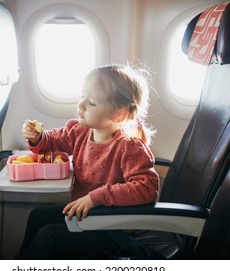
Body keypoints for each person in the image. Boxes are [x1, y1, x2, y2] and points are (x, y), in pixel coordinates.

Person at [19, 64, 160, 259]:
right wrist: (37, 137)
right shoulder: (80, 131)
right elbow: (52, 142)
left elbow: (146, 188)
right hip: (86, 216)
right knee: (38, 216)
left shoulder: (129, 147)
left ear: (117, 114)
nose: (81, 105)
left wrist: (97, 197)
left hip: (111, 228)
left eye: (91, 102)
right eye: (82, 96)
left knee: (49, 236)